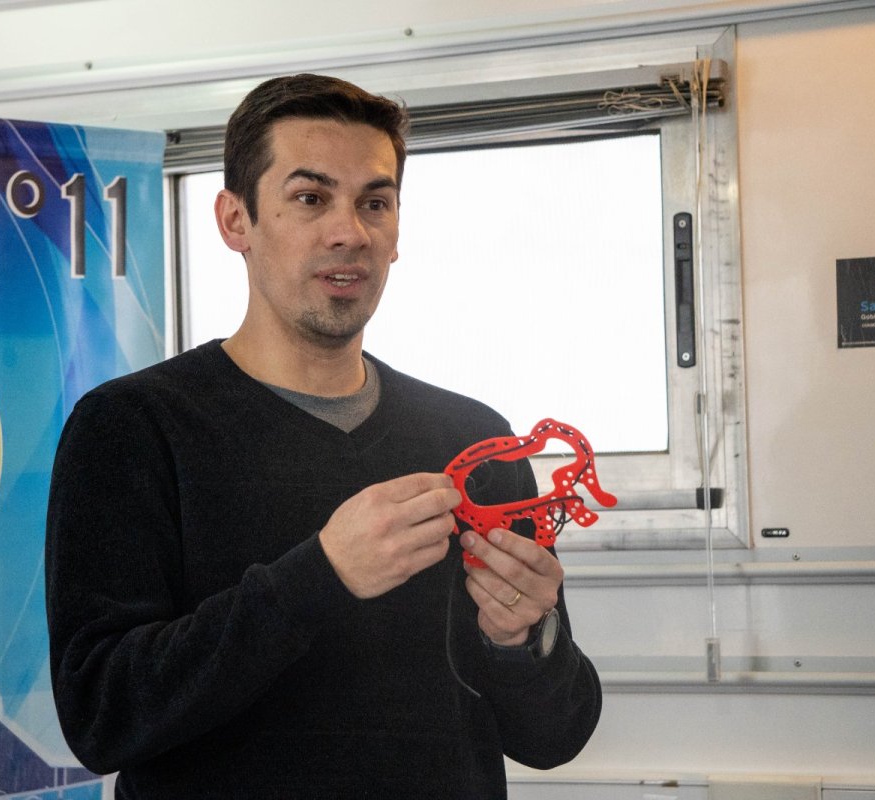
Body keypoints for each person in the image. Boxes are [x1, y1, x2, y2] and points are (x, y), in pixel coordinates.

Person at [45, 73, 601, 799]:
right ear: (236, 221)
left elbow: (555, 736)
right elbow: (101, 716)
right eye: (311, 198)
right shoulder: (130, 428)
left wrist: (524, 639)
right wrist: (320, 576)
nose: (351, 232)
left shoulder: (474, 440)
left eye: (375, 203)